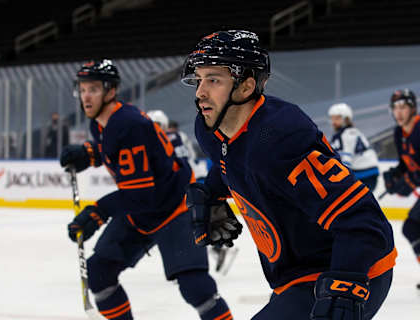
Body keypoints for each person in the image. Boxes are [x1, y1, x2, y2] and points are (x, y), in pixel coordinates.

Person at [181, 30, 396, 320]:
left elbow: (363, 222)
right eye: (199, 78)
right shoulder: (208, 127)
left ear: (246, 86)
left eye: (214, 79)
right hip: (295, 274)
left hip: (349, 267)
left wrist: (344, 282)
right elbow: (228, 156)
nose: (200, 92)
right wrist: (212, 192)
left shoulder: (279, 138)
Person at [60, 59, 233, 320]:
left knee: (195, 287)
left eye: (93, 89)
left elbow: (141, 194)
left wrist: (97, 212)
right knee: (100, 272)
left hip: (175, 208)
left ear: (110, 91)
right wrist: (91, 154)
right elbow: (124, 157)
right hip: (143, 210)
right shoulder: (101, 123)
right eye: (82, 89)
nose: (86, 96)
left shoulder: (128, 125)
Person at [148, 109, 238, 274]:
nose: (153, 129)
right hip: (194, 178)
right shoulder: (174, 137)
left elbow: (176, 165)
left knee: (194, 220)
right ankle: (215, 247)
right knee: (194, 221)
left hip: (192, 182)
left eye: (155, 125)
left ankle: (215, 248)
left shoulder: (171, 138)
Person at [383, 89, 420, 289]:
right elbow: (408, 164)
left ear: (412, 108)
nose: (399, 112)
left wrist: (412, 180)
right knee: (412, 227)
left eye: (403, 107)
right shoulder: (400, 133)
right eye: (395, 108)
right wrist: (397, 174)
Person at [328, 103, 379, 191]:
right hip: (363, 173)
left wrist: (339, 178)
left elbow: (347, 158)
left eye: (337, 118)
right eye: (332, 118)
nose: (333, 122)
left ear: (346, 119)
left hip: (365, 174)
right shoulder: (342, 134)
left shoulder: (348, 133)